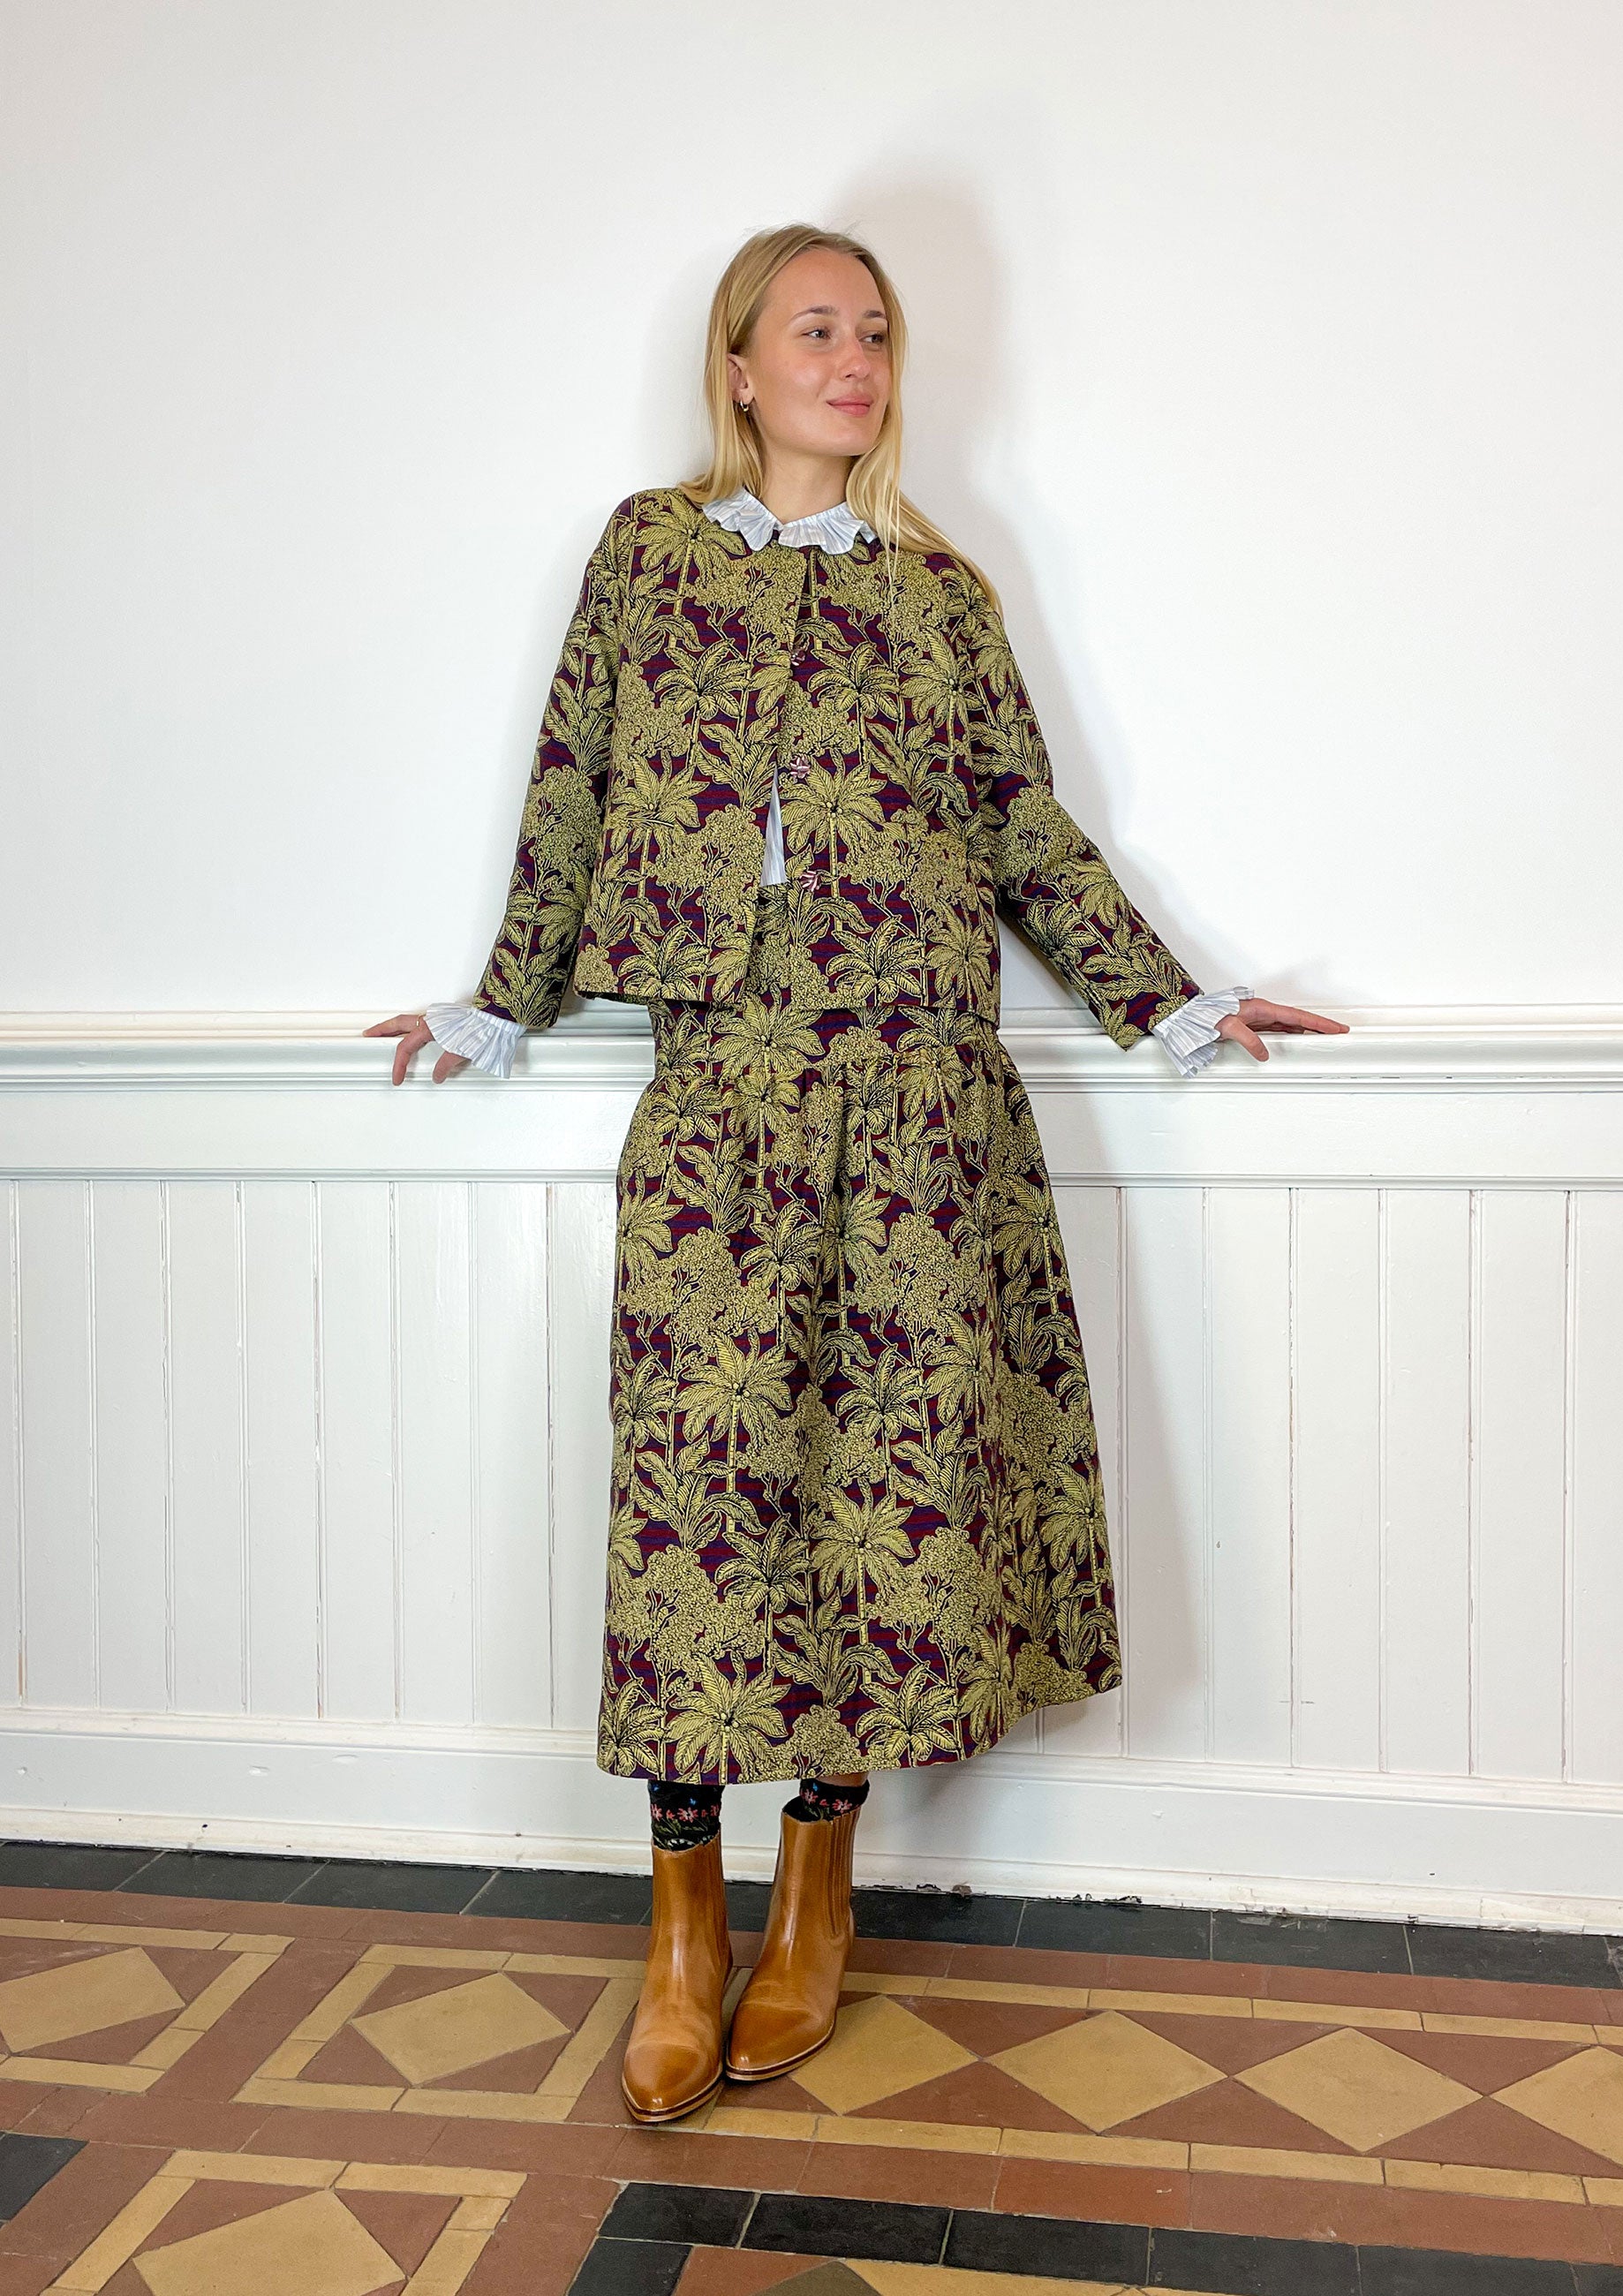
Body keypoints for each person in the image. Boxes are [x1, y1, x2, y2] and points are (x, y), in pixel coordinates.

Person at [368, 223, 1346, 2126]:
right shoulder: (644, 556)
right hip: (722, 1088)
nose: (855, 357)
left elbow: (1019, 825)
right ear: (736, 363)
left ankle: (816, 1887)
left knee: (888, 1506)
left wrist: (1175, 995)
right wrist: (500, 1001)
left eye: (876, 332)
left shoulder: (937, 593)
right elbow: (569, 783)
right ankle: (679, 1921)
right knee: (699, 1497)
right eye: (816, 328)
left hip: (918, 1103)